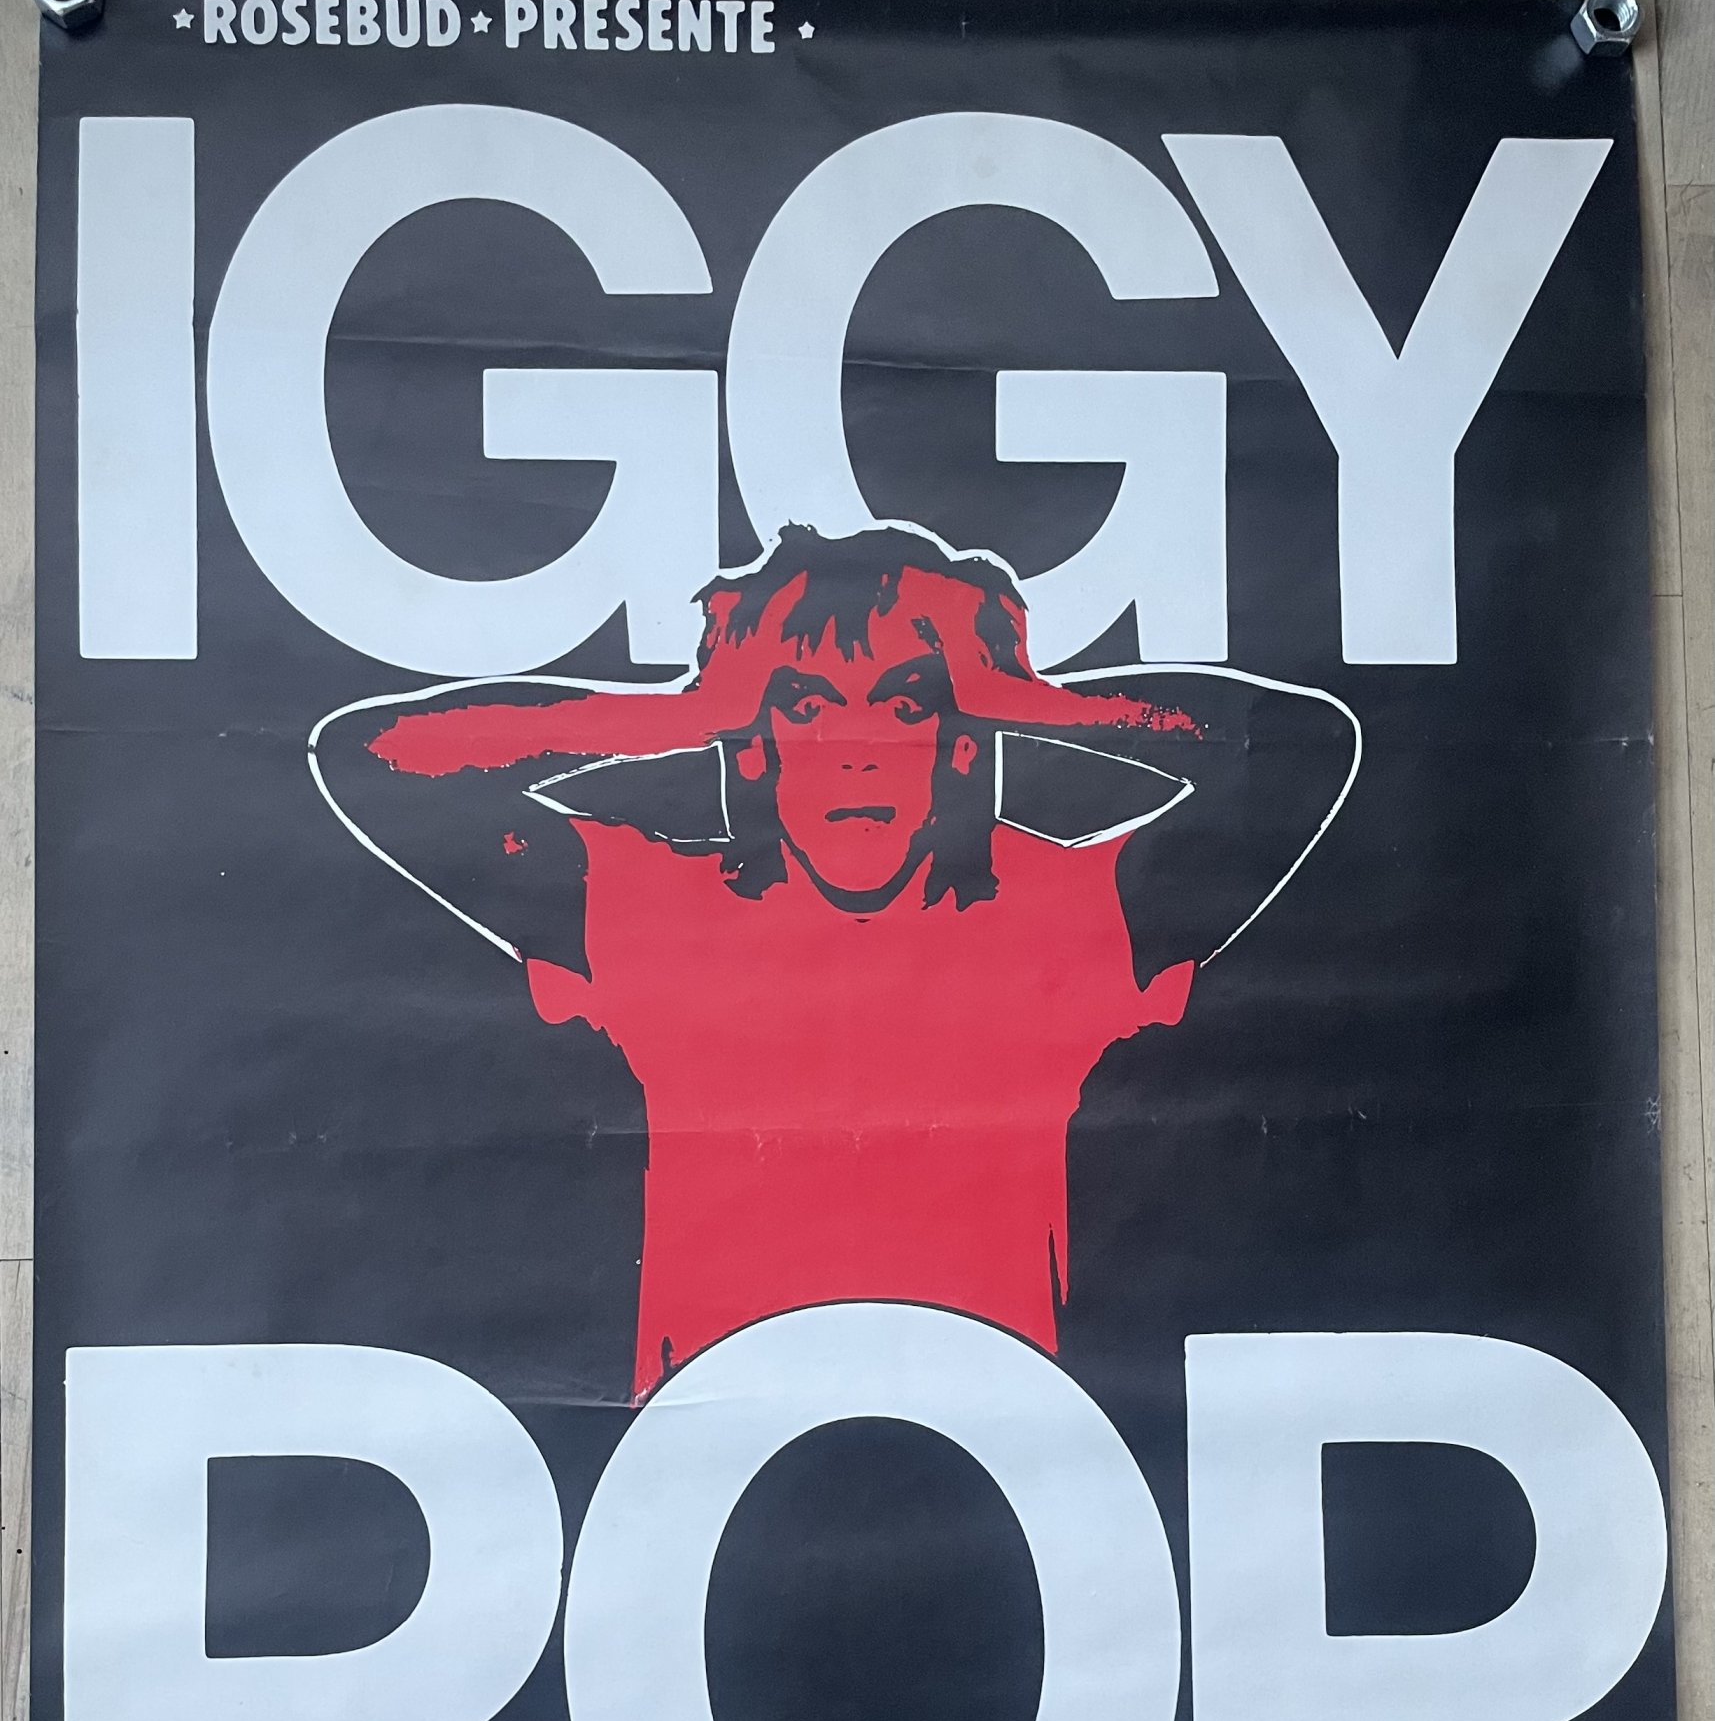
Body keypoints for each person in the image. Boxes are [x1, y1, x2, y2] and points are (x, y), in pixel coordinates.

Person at [311, 523, 1359, 1399]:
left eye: (906, 704)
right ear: (754, 745)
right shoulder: (656, 905)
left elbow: (1302, 750)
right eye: (805, 705)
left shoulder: (1061, 909)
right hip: (707, 1448)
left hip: (999, 1443)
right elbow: (373, 762)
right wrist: (688, 709)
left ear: (962, 741)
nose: (856, 750)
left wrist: (1026, 695)